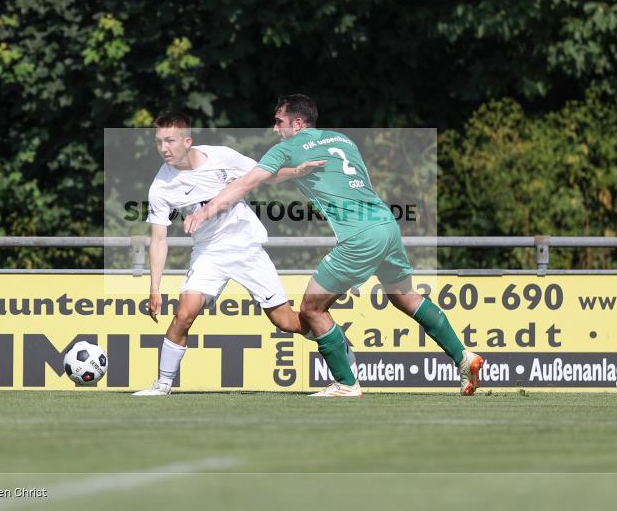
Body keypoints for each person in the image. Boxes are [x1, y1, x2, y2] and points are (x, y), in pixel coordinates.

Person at [185, 95, 484, 397]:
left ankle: (345, 383)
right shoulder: (342, 140)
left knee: (311, 308)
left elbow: (245, 184)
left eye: (279, 121)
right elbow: (279, 179)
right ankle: (464, 358)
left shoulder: (288, 147)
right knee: (405, 297)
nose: (275, 128)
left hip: (359, 236)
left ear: (297, 122)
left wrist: (205, 210)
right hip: (386, 225)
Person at [133, 111, 352, 395]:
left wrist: (297, 171)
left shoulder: (222, 156)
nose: (164, 148)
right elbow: (159, 239)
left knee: (286, 322)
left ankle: (336, 343)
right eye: (159, 142)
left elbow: (265, 175)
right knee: (184, 314)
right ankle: (162, 385)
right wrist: (154, 288)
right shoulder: (161, 187)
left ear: (188, 141)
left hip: (247, 248)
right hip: (208, 253)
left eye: (170, 141)